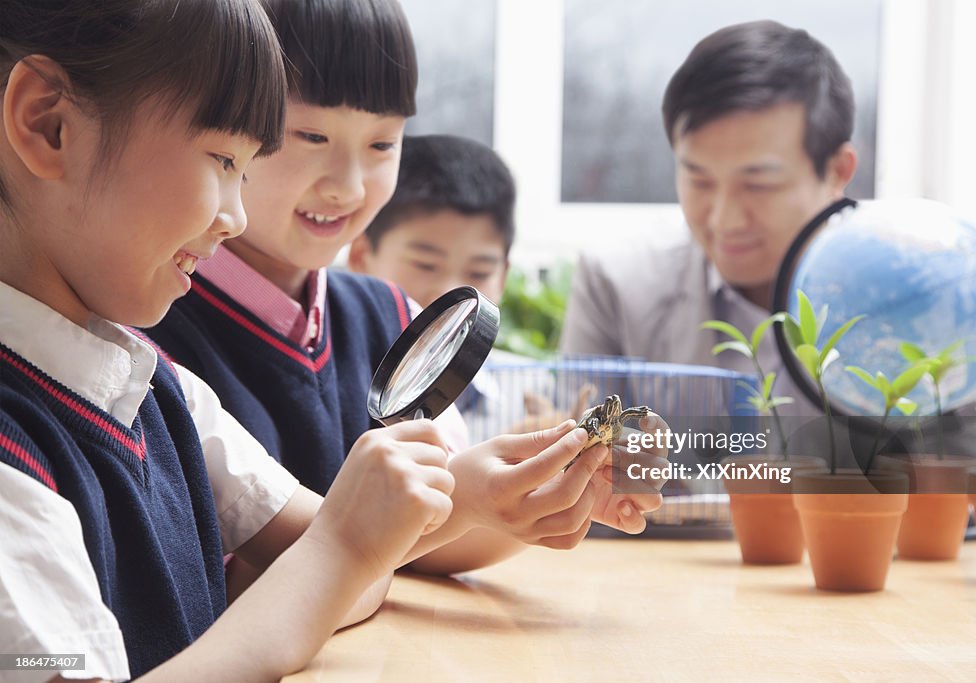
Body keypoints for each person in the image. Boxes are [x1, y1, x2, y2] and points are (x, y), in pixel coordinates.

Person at [0, 1, 463, 680]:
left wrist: (345, 548)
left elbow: (347, 563)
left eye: (244, 170)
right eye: (221, 158)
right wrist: (337, 551)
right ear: (49, 123)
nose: (234, 216)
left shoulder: (152, 383)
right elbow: (334, 559)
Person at [145, 0, 666, 578]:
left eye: (382, 145)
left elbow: (431, 540)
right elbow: (228, 582)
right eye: (312, 136)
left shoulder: (398, 320)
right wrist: (469, 502)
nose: (347, 186)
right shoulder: (149, 323)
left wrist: (551, 492)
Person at [561, 20, 857, 417]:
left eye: (759, 184)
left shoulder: (912, 293)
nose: (724, 220)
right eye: (699, 180)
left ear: (838, 171)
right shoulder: (617, 285)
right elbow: (580, 459)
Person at [349, 133, 585, 444]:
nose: (451, 293)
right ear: (361, 258)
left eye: (480, 272)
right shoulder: (342, 389)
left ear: (503, 277)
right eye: (425, 264)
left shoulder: (530, 389)